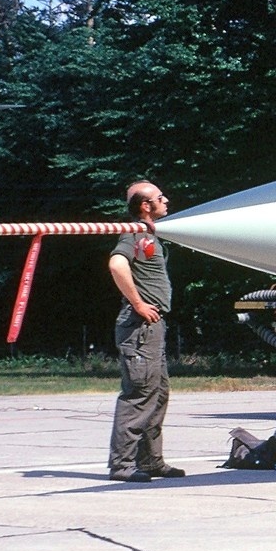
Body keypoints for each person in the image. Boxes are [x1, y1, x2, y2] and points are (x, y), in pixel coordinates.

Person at [107, 180, 183, 482]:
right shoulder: (135, 232)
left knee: (158, 393)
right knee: (140, 394)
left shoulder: (151, 235)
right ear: (144, 206)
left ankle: (151, 461)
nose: (166, 200)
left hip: (152, 325)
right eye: (159, 197)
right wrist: (138, 303)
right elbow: (116, 265)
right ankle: (122, 465)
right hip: (140, 325)